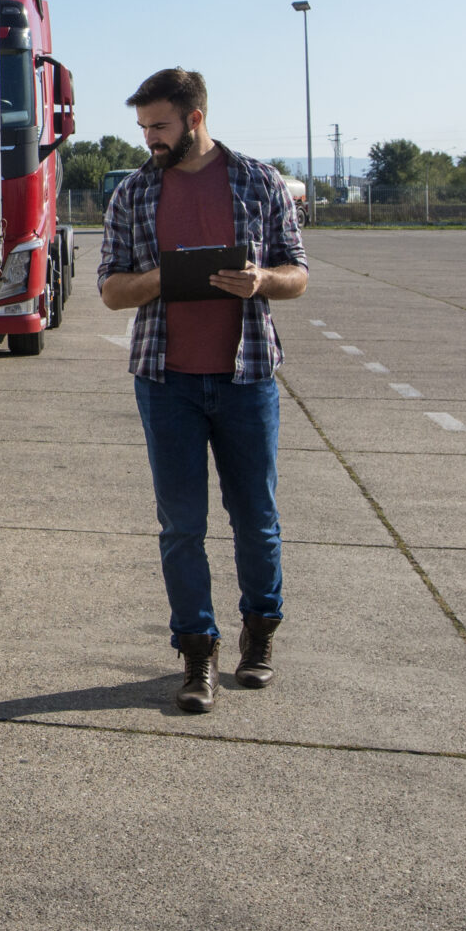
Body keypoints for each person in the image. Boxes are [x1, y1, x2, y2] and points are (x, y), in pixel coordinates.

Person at [97, 68, 308, 713]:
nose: (148, 140)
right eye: (143, 128)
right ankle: (197, 653)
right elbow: (110, 291)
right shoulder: (133, 193)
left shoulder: (257, 181)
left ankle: (261, 632)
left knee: (257, 522)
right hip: (167, 384)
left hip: (247, 380)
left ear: (194, 118)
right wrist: (164, 277)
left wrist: (262, 282)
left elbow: (298, 273)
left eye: (158, 126)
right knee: (181, 526)